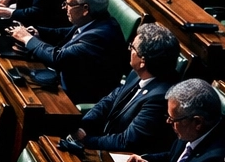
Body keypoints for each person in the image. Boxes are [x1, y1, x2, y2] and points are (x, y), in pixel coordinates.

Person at [7, 0, 126, 104]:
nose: (64, 7)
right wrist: (38, 32)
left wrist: (27, 38)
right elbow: (65, 33)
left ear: (85, 8)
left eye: (69, 4)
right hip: (65, 79)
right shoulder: (95, 19)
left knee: (17, 93)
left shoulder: (99, 36)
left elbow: (58, 58)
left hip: (76, 95)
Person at [71, 22, 179, 151]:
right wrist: (84, 126)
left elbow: (127, 141)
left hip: (122, 154)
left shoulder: (160, 98)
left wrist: (86, 140)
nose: (129, 50)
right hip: (105, 139)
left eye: (132, 47)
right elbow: (110, 100)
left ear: (142, 61)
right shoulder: (136, 74)